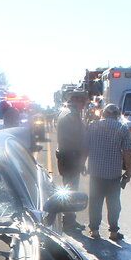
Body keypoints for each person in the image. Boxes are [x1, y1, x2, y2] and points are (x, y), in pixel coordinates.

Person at [82, 103, 131, 241]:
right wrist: (128, 170)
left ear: (103, 114)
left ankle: (94, 230)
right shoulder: (122, 128)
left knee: (95, 202)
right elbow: (127, 151)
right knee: (114, 204)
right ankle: (113, 232)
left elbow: (85, 147)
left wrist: (82, 164)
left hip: (96, 172)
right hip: (114, 174)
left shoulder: (93, 126)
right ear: (117, 115)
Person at [55, 90, 89, 230]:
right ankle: (68, 220)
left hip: (67, 156)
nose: (84, 105)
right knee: (71, 189)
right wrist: (81, 161)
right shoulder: (71, 116)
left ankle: (68, 218)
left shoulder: (66, 113)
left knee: (69, 187)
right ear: (79, 101)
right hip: (71, 157)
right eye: (84, 102)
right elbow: (76, 141)